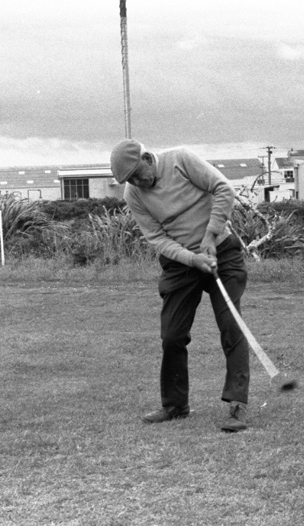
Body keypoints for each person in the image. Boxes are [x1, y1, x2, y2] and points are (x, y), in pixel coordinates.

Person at [110, 139, 250, 432]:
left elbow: (224, 189)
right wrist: (192, 258)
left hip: (221, 251)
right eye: (130, 180)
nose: (137, 182)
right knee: (172, 335)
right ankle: (175, 405)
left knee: (230, 325)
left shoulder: (181, 160)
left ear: (148, 158)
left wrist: (210, 236)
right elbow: (157, 238)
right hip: (181, 263)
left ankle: (236, 405)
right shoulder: (133, 193)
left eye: (138, 173)